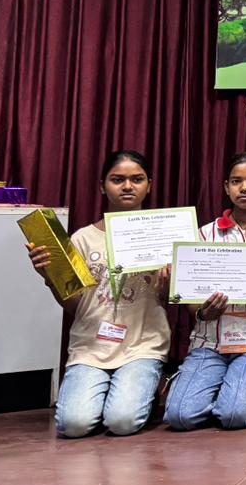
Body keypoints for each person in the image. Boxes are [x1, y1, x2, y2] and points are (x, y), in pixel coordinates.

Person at [27, 150, 170, 438]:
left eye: (137, 179)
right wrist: (50, 278)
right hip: (91, 348)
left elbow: (169, 301)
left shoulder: (164, 235)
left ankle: (149, 388)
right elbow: (75, 306)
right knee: (74, 425)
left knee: (122, 422)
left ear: (149, 185)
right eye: (117, 179)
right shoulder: (82, 238)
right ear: (102, 186)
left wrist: (170, 283)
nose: (127, 186)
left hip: (142, 346)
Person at [164, 153, 246, 431]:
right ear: (226, 187)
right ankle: (229, 391)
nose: (244, 188)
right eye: (236, 181)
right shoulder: (203, 234)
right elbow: (191, 300)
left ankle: (244, 393)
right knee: (179, 416)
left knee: (236, 415)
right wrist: (203, 312)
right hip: (209, 342)